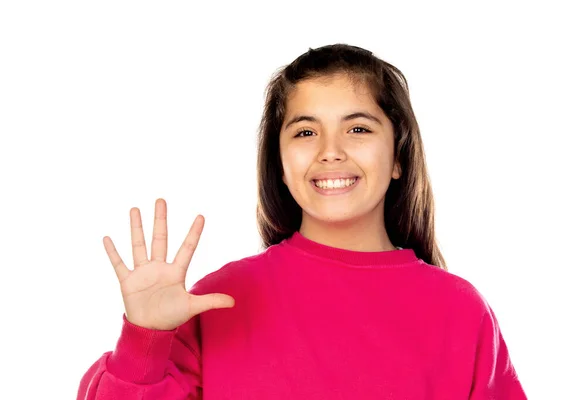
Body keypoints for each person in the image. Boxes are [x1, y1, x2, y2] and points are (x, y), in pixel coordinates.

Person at [77, 44, 527, 399]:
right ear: (280, 159)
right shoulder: (222, 301)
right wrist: (144, 340)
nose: (330, 150)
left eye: (359, 128)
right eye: (305, 132)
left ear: (398, 157)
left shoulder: (460, 312)